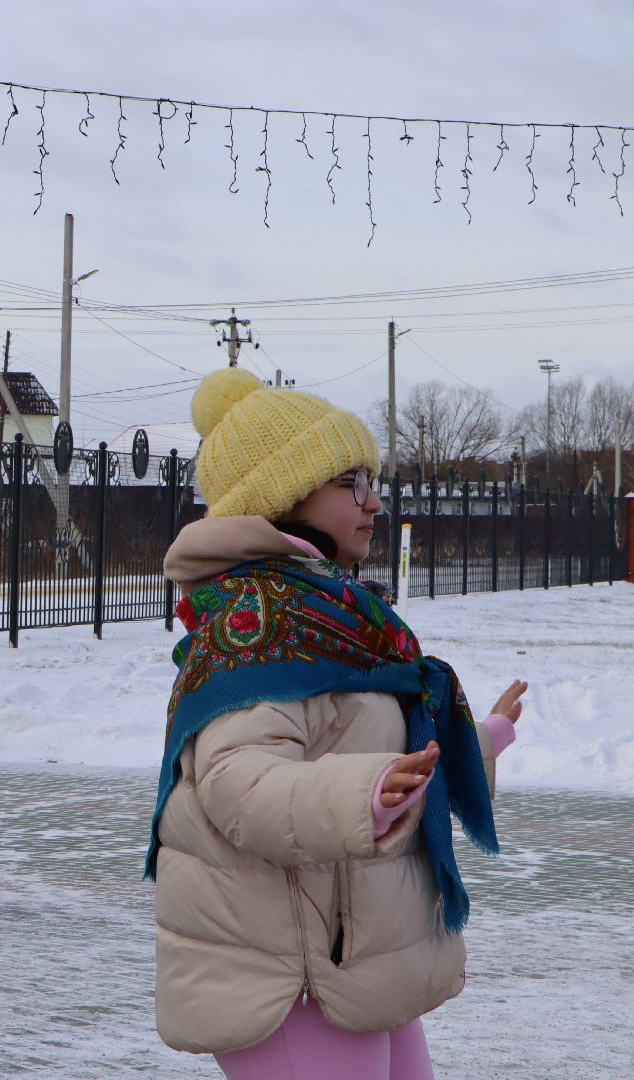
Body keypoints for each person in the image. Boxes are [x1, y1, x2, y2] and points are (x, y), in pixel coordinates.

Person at [145, 368, 523, 1080]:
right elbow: (235, 783)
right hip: (290, 979)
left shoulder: (336, 613)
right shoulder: (259, 626)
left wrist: (483, 740)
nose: (374, 501)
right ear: (284, 494)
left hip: (351, 960)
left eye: (372, 479)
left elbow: (370, 740)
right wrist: (365, 794)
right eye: (351, 481)